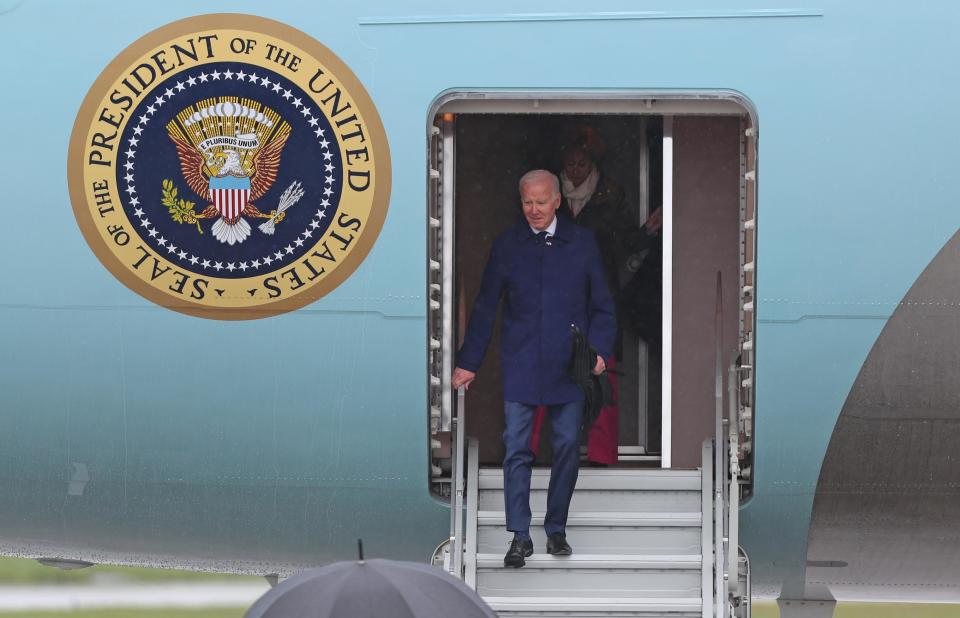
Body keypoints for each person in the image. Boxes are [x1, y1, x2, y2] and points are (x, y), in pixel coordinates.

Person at [452, 170, 616, 568]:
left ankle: (556, 527)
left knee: (565, 450)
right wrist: (467, 363)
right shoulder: (509, 245)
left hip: (569, 366)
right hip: (522, 364)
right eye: (527, 202)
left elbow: (604, 306)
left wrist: (599, 353)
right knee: (517, 449)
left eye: (542, 202)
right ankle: (520, 536)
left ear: (558, 200)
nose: (534, 210)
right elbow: (486, 305)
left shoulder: (581, 243)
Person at [529, 126, 662, 466]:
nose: (575, 169)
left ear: (592, 161)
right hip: (554, 296)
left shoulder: (610, 195)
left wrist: (648, 231)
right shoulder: (544, 195)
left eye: (581, 163)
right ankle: (530, 451)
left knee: (601, 375)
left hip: (598, 296)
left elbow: (623, 244)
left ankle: (603, 455)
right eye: (570, 163)